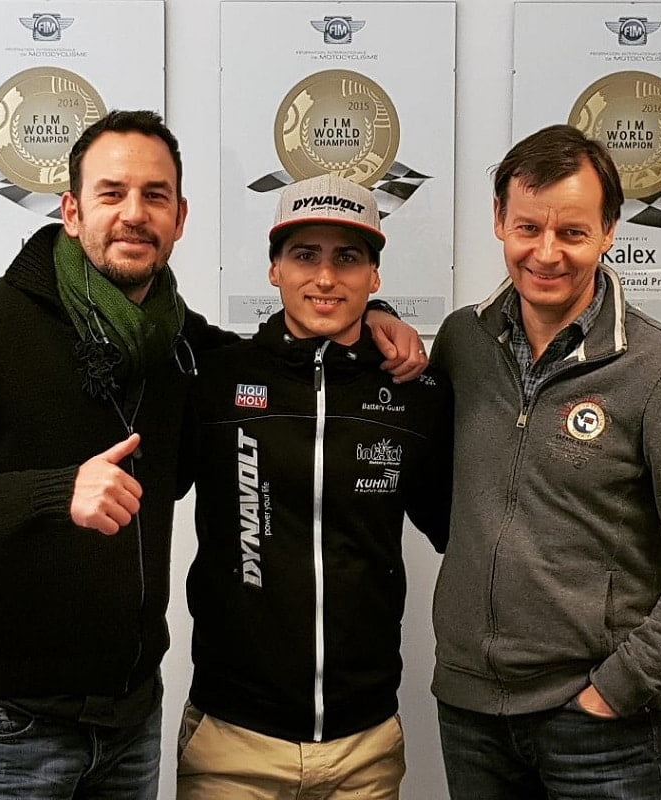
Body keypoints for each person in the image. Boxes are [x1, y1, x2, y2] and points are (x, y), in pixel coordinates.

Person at [0, 110, 425, 799]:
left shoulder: (177, 342)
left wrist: (376, 322)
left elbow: (288, 351)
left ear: (180, 217)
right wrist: (44, 497)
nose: (134, 213)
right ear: (71, 210)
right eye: (112, 193)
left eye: (154, 195)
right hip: (7, 729)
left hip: (128, 726)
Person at [430, 123, 661, 799]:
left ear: (610, 230)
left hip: (601, 730)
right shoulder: (462, 342)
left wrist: (622, 686)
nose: (546, 253)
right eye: (528, 228)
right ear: (500, 221)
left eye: (572, 232)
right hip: (471, 718)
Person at [175, 173, 453, 799]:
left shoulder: (417, 394)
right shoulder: (216, 379)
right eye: (305, 255)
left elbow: (463, 529)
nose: (325, 278)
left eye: (347, 258)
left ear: (374, 277)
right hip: (233, 741)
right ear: (274, 268)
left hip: (365, 747)